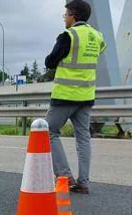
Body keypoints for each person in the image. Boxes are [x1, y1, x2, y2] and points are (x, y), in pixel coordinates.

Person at [44, 0, 106, 194]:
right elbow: (100, 50)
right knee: (83, 138)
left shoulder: (68, 35)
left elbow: (50, 62)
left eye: (66, 14)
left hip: (65, 95)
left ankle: (65, 176)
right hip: (86, 96)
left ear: (73, 16)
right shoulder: (97, 36)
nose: (65, 18)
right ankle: (84, 182)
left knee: (48, 132)